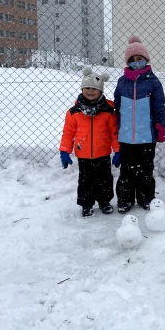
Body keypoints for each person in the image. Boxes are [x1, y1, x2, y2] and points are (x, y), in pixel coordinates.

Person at [114, 36, 165, 214]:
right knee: (127, 171)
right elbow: (117, 106)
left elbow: (160, 106)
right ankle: (125, 199)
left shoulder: (153, 82)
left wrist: (162, 125)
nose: (137, 63)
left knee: (146, 170)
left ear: (146, 60)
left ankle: (146, 198)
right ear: (128, 63)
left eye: (140, 59)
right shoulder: (122, 82)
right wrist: (116, 126)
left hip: (146, 136)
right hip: (127, 136)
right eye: (133, 60)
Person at [59, 67, 119, 218]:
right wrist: (65, 150)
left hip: (103, 153)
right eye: (86, 88)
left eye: (94, 88)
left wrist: (118, 150)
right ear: (82, 89)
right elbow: (68, 133)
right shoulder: (74, 112)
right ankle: (87, 204)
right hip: (83, 154)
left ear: (100, 91)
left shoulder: (108, 111)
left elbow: (114, 133)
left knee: (104, 180)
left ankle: (104, 202)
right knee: (86, 181)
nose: (90, 91)